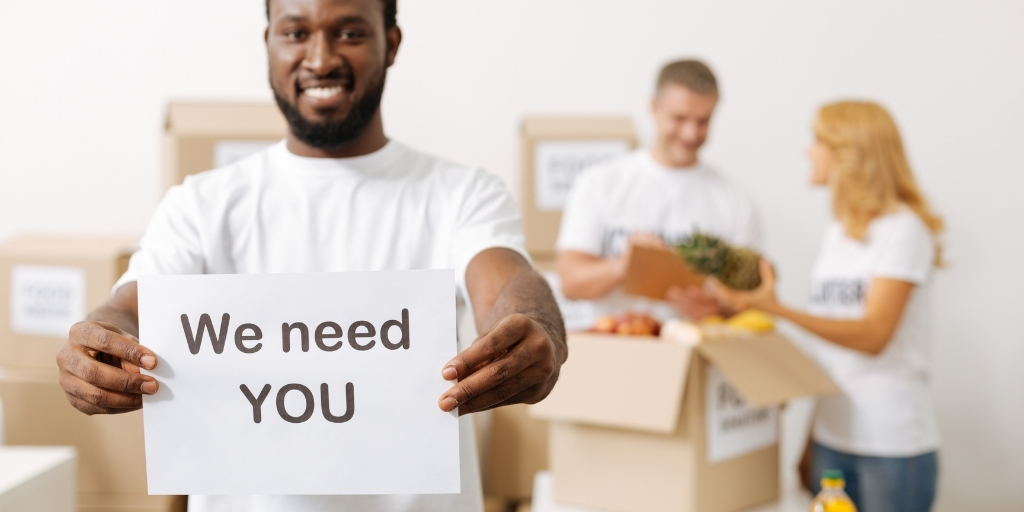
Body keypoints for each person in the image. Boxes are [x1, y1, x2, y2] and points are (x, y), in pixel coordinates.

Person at [53, 0, 567, 510]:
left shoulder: (463, 193)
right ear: (269, 44)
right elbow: (130, 311)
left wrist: (534, 327)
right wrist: (96, 346)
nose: (320, 59)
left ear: (391, 43)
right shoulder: (200, 203)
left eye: (349, 33)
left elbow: (504, 284)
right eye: (296, 33)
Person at [713, 101, 942, 512]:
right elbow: (833, 353)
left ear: (849, 152)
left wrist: (777, 309)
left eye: (818, 140)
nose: (808, 151)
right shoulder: (838, 235)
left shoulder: (904, 231)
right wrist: (811, 438)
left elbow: (873, 336)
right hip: (833, 441)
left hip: (891, 446)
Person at [555, 59, 760, 322]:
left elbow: (754, 303)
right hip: (615, 350)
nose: (690, 133)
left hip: (695, 355)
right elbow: (570, 283)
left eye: (703, 121)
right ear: (654, 107)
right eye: (680, 118)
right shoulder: (600, 182)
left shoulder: (736, 202)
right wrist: (625, 265)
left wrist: (719, 308)